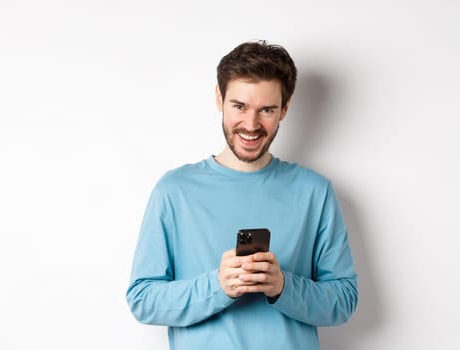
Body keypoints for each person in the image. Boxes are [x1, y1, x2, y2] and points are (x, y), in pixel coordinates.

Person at [126, 40, 358, 349]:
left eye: (267, 110)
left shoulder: (314, 192)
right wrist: (217, 285)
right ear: (219, 99)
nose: (251, 124)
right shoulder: (175, 191)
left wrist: (284, 287)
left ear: (285, 109)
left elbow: (344, 300)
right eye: (239, 106)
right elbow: (143, 300)